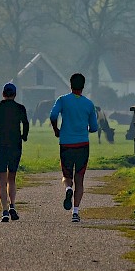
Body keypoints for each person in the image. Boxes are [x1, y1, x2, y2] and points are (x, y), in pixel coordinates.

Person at [49, 73, 98, 223]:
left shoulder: (62, 100)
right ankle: (75, 212)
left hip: (66, 143)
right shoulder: (89, 104)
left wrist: (56, 130)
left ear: (70, 84)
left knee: (67, 175)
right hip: (82, 144)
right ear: (83, 86)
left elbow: (53, 115)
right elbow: (94, 127)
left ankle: (68, 189)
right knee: (80, 178)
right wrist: (87, 129)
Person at [0, 82, 29, 222]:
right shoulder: (20, 108)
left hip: (1, 145)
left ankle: (4, 211)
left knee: (1, 180)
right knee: (12, 178)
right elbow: (26, 124)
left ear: (3, 94)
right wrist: (24, 137)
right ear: (15, 94)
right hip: (15, 145)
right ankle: (13, 205)